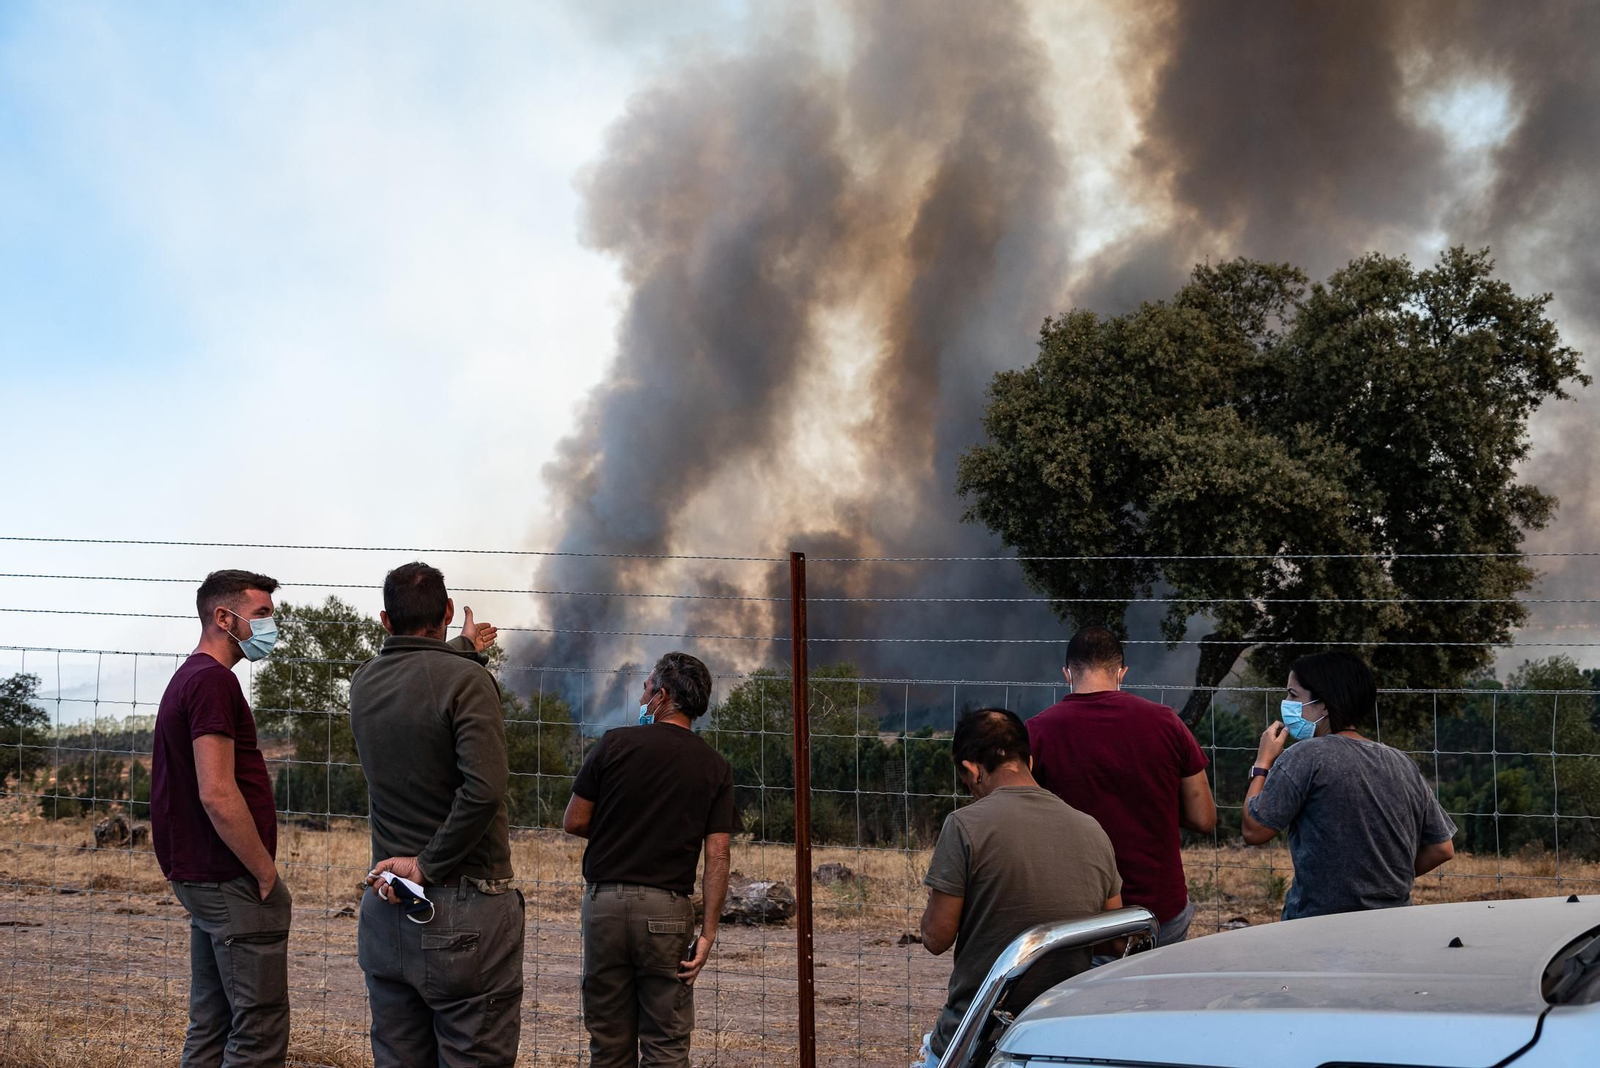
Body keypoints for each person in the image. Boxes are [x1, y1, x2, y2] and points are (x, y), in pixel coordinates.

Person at [348, 561, 522, 1067]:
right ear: (447, 610)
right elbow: (484, 790)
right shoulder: (468, 681)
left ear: (385, 620)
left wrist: (463, 647)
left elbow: (419, 677)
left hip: (387, 912)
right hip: (461, 912)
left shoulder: (363, 682)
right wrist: (426, 866)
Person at [916, 708, 1122, 1068]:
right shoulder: (1092, 829)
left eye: (966, 780)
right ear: (1029, 760)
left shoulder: (964, 825)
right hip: (1059, 1035)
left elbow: (936, 938)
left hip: (980, 1036)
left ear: (973, 770)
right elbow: (1116, 940)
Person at [563, 651, 736, 1068]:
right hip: (667, 913)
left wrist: (619, 832)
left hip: (605, 908)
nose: (642, 697)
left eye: (645, 689)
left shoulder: (614, 744)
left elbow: (574, 820)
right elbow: (718, 854)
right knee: (666, 1044)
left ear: (662, 696)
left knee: (608, 1042)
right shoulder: (715, 766)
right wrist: (708, 932)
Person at [152, 569, 291, 1068]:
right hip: (229, 877)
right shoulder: (212, 682)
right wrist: (264, 872)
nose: (271, 626)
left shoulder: (190, 677)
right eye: (262, 614)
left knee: (211, 1023)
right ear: (223, 617)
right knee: (258, 1031)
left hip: (203, 874)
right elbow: (216, 792)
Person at [1026, 627, 1215, 955]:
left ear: (1067, 674)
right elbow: (1204, 819)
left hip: (1078, 920)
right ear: (1121, 673)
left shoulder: (1037, 732)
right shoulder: (1166, 722)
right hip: (1158, 913)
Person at [1243, 650, 1456, 920]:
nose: (1286, 704)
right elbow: (1441, 848)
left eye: (1293, 695)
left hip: (1317, 925)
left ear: (1324, 705)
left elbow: (1253, 830)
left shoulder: (1306, 755)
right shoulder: (1401, 762)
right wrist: (1380, 885)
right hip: (1394, 922)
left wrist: (1263, 762)